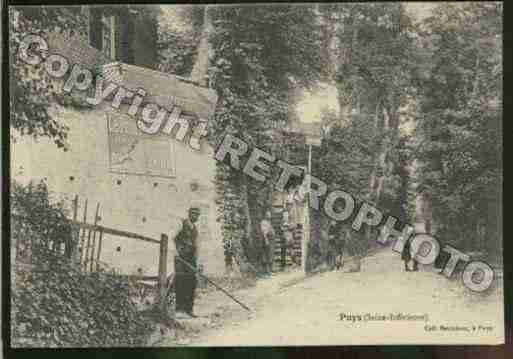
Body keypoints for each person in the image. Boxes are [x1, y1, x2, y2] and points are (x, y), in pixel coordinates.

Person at [173, 207, 201, 319]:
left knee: (191, 283)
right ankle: (179, 310)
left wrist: (196, 260)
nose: (195, 216)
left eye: (197, 215)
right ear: (189, 214)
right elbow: (172, 238)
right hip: (181, 258)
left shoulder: (195, 229)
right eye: (193, 214)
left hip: (191, 259)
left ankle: (189, 309)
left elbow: (196, 245)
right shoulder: (181, 224)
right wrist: (176, 252)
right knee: (181, 282)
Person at [260, 210, 276, 277]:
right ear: (265, 215)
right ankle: (267, 271)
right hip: (267, 240)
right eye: (268, 214)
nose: (269, 215)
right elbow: (264, 232)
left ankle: (270, 270)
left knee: (271, 255)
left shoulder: (268, 222)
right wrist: (266, 240)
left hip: (271, 240)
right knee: (267, 255)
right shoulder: (264, 222)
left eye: (270, 214)